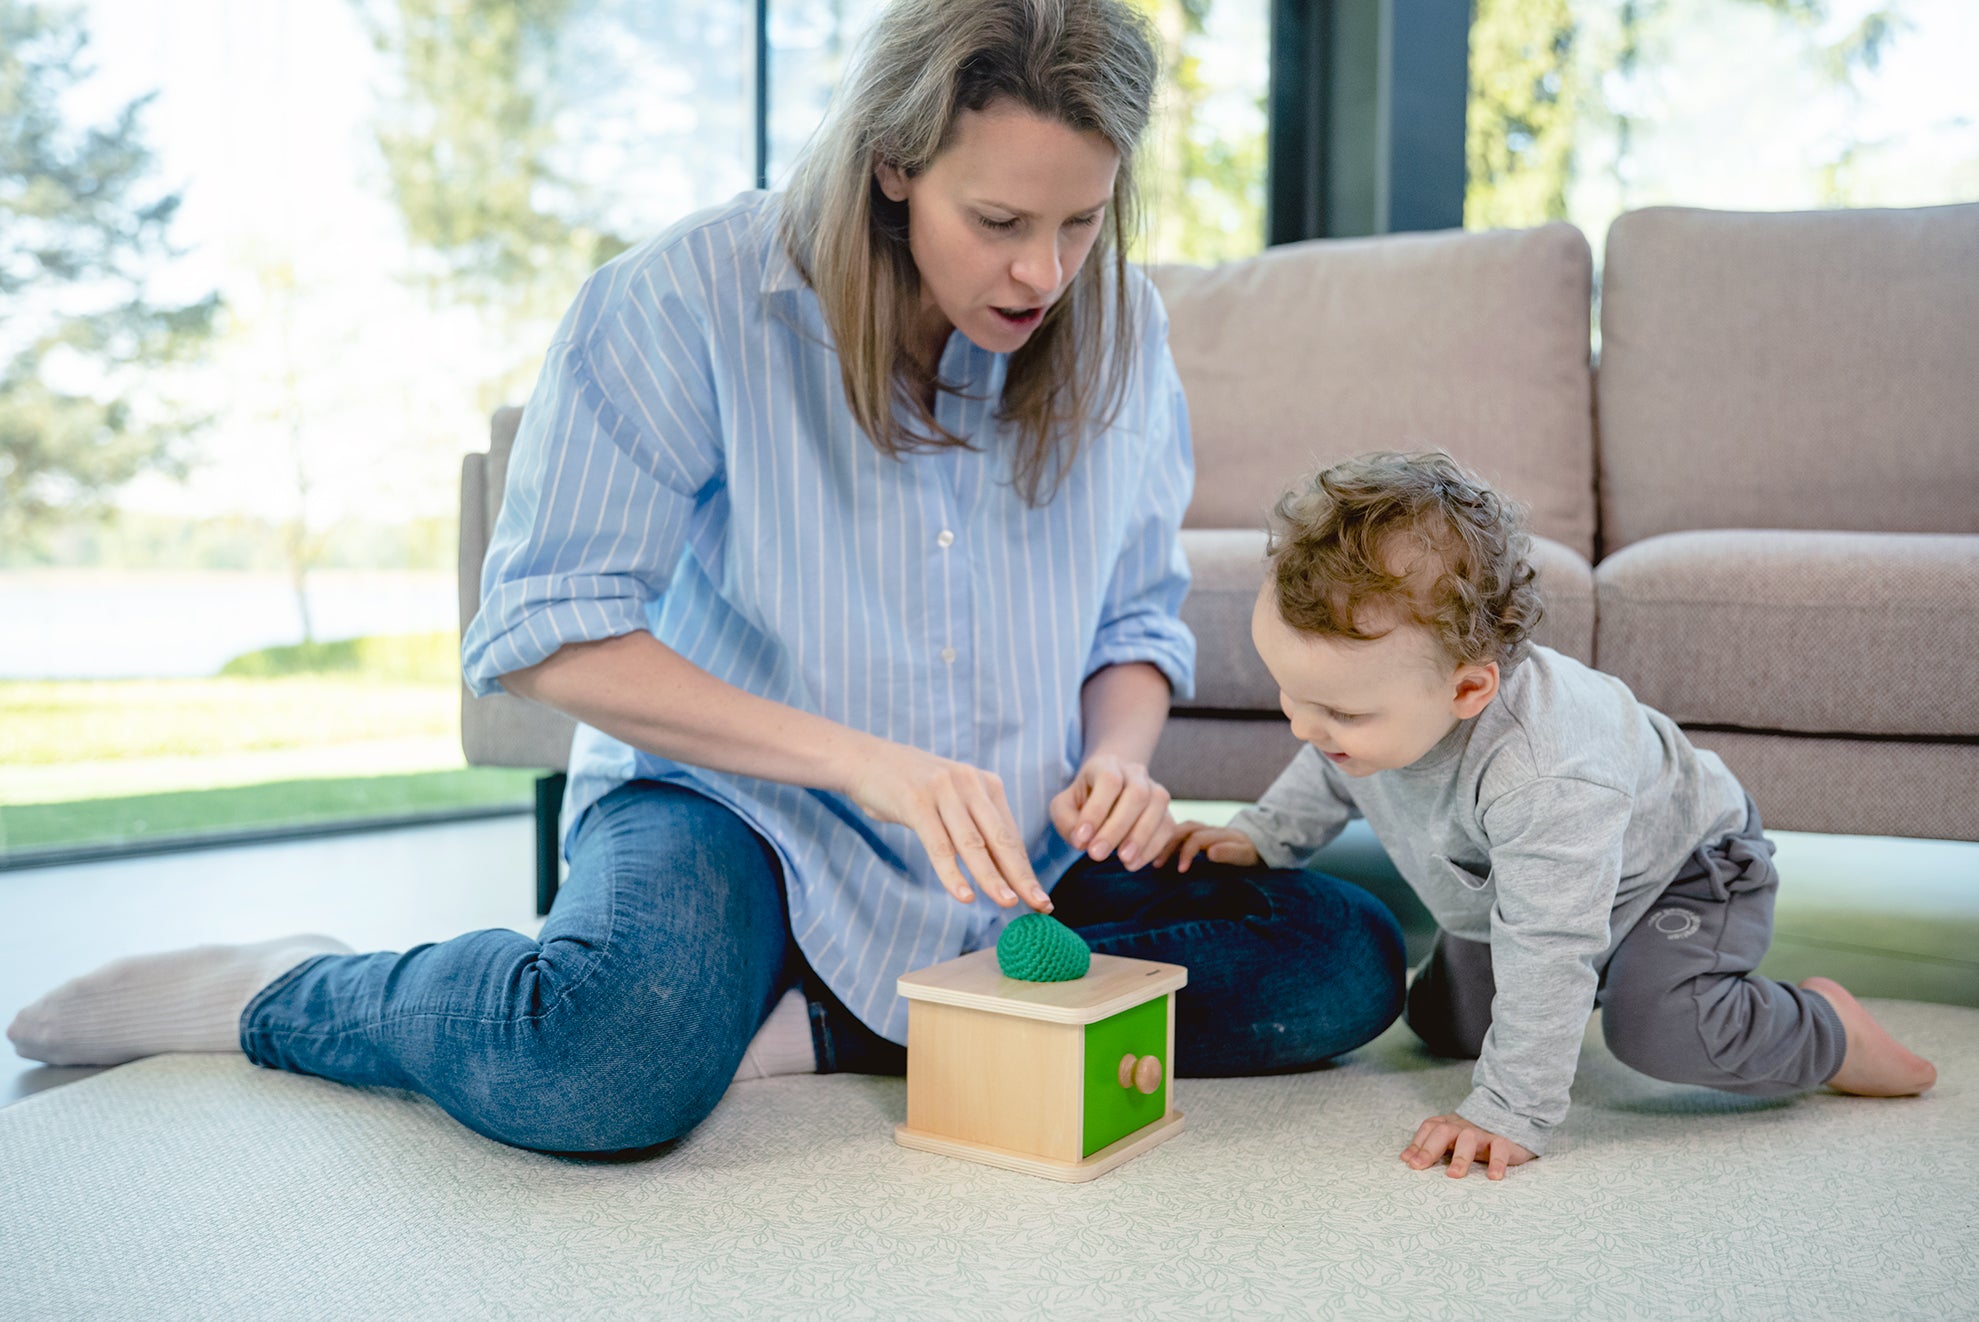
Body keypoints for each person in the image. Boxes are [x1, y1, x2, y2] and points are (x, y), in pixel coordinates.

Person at [9, 0, 1405, 1155]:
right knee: (598, 1066)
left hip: (1014, 850)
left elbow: (1134, 619)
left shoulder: (1118, 328)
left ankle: (812, 1023)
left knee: (1340, 961)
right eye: (997, 220)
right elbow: (544, 629)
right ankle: (295, 988)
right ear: (893, 164)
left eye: (1081, 223)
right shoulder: (685, 298)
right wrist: (862, 763)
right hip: (733, 812)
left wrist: (1117, 760)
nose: (1042, 273)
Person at [1161, 450, 1939, 1181]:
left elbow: (1549, 940)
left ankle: (1826, 1030)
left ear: (1468, 689)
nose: (1303, 725)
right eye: (1290, 694)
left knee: (1661, 1028)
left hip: (1683, 874)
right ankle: (1586, 988)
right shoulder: (1376, 713)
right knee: (1447, 1025)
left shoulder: (1547, 771)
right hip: (1534, 884)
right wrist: (1266, 833)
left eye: (1336, 711)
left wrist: (1510, 1110)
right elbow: (1331, 768)